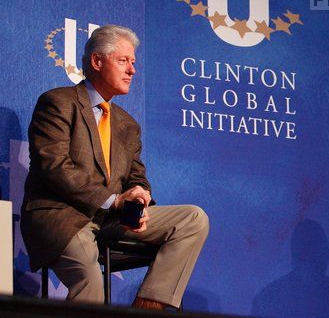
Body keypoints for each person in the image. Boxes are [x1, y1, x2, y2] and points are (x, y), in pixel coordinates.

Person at [21, 25, 208, 310]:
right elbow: (55, 167)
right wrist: (114, 200)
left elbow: (136, 175)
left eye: (133, 63)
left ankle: (147, 308)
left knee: (192, 219)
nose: (132, 70)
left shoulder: (127, 124)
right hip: (63, 217)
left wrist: (140, 195)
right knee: (89, 278)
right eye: (123, 61)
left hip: (113, 219)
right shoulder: (58, 103)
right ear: (97, 61)